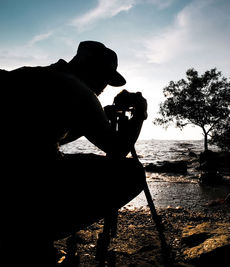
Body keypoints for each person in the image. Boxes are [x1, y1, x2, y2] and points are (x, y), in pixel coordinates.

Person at [0, 41, 147, 264]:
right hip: (33, 184)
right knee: (132, 172)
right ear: (93, 71)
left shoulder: (32, 76)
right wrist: (140, 115)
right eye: (104, 80)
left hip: (12, 178)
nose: (103, 88)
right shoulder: (79, 90)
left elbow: (51, 136)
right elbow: (118, 149)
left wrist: (93, 119)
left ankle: (29, 235)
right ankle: (34, 236)